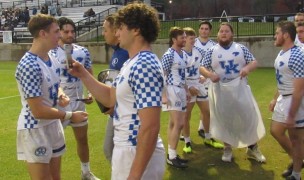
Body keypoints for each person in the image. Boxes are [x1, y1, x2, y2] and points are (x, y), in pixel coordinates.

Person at [69, 2, 166, 179]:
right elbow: (111, 99)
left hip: (135, 149)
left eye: (120, 27)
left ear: (135, 29)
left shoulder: (144, 65)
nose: (117, 33)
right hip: (127, 148)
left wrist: (135, 175)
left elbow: (151, 126)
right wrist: (83, 74)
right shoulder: (132, 62)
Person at [15, 14, 87, 180]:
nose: (60, 36)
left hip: (52, 125)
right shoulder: (29, 65)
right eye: (56, 32)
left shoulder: (52, 57)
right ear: (42, 34)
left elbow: (56, 84)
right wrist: (70, 115)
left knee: (56, 177)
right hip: (35, 128)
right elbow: (38, 111)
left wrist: (61, 94)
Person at [200, 22, 266, 163]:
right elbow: (202, 67)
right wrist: (210, 75)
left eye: (227, 31)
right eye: (221, 31)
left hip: (240, 88)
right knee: (225, 120)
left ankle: (252, 147)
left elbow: (253, 62)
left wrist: (247, 69)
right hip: (221, 90)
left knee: (248, 118)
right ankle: (227, 148)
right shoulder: (212, 50)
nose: (224, 33)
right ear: (217, 34)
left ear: (232, 34)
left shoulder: (240, 48)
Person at [48, 17, 99, 180]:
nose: (70, 34)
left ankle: (86, 172)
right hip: (59, 105)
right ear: (60, 32)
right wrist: (60, 94)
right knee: (55, 145)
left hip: (78, 103)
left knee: (82, 139)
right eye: (66, 31)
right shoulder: (51, 53)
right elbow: (50, 80)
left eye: (72, 31)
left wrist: (91, 93)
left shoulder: (82, 51)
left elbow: (89, 74)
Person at [270, 21, 304, 180]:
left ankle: (296, 174)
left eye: (277, 33)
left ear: (286, 35)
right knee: (275, 130)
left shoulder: (298, 55)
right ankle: (298, 160)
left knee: (296, 139)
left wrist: (291, 115)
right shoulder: (282, 52)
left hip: (295, 101)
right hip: (283, 98)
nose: (275, 36)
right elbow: (283, 79)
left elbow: (299, 90)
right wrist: (275, 98)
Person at [181, 27, 223, 154]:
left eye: (194, 38)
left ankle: (208, 138)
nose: (193, 41)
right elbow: (176, 73)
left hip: (199, 85)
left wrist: (204, 76)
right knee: (186, 115)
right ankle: (187, 141)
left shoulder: (198, 51)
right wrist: (188, 87)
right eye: (190, 38)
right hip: (186, 87)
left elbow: (203, 66)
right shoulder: (179, 54)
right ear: (185, 39)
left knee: (207, 111)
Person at [101, 14, 129, 162]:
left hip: (122, 113)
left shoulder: (126, 53)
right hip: (115, 111)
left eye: (105, 30)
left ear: (115, 30)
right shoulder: (117, 51)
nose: (103, 33)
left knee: (111, 151)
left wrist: (115, 103)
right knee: (109, 150)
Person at [161, 26, 190, 168]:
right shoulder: (169, 55)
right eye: (182, 37)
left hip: (181, 90)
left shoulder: (183, 54)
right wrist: (164, 95)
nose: (185, 39)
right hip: (172, 90)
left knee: (175, 124)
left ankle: (172, 153)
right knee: (178, 124)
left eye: (185, 37)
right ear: (174, 39)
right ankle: (171, 156)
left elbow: (183, 75)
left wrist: (187, 90)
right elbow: (162, 75)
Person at [194, 21, 217, 140]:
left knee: (206, 107)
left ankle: (202, 128)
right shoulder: (192, 43)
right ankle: (184, 134)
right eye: (202, 28)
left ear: (210, 31)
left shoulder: (213, 46)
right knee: (187, 108)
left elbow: (214, 64)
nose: (204, 31)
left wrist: (207, 76)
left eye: (206, 29)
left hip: (206, 80)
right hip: (192, 80)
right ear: (199, 30)